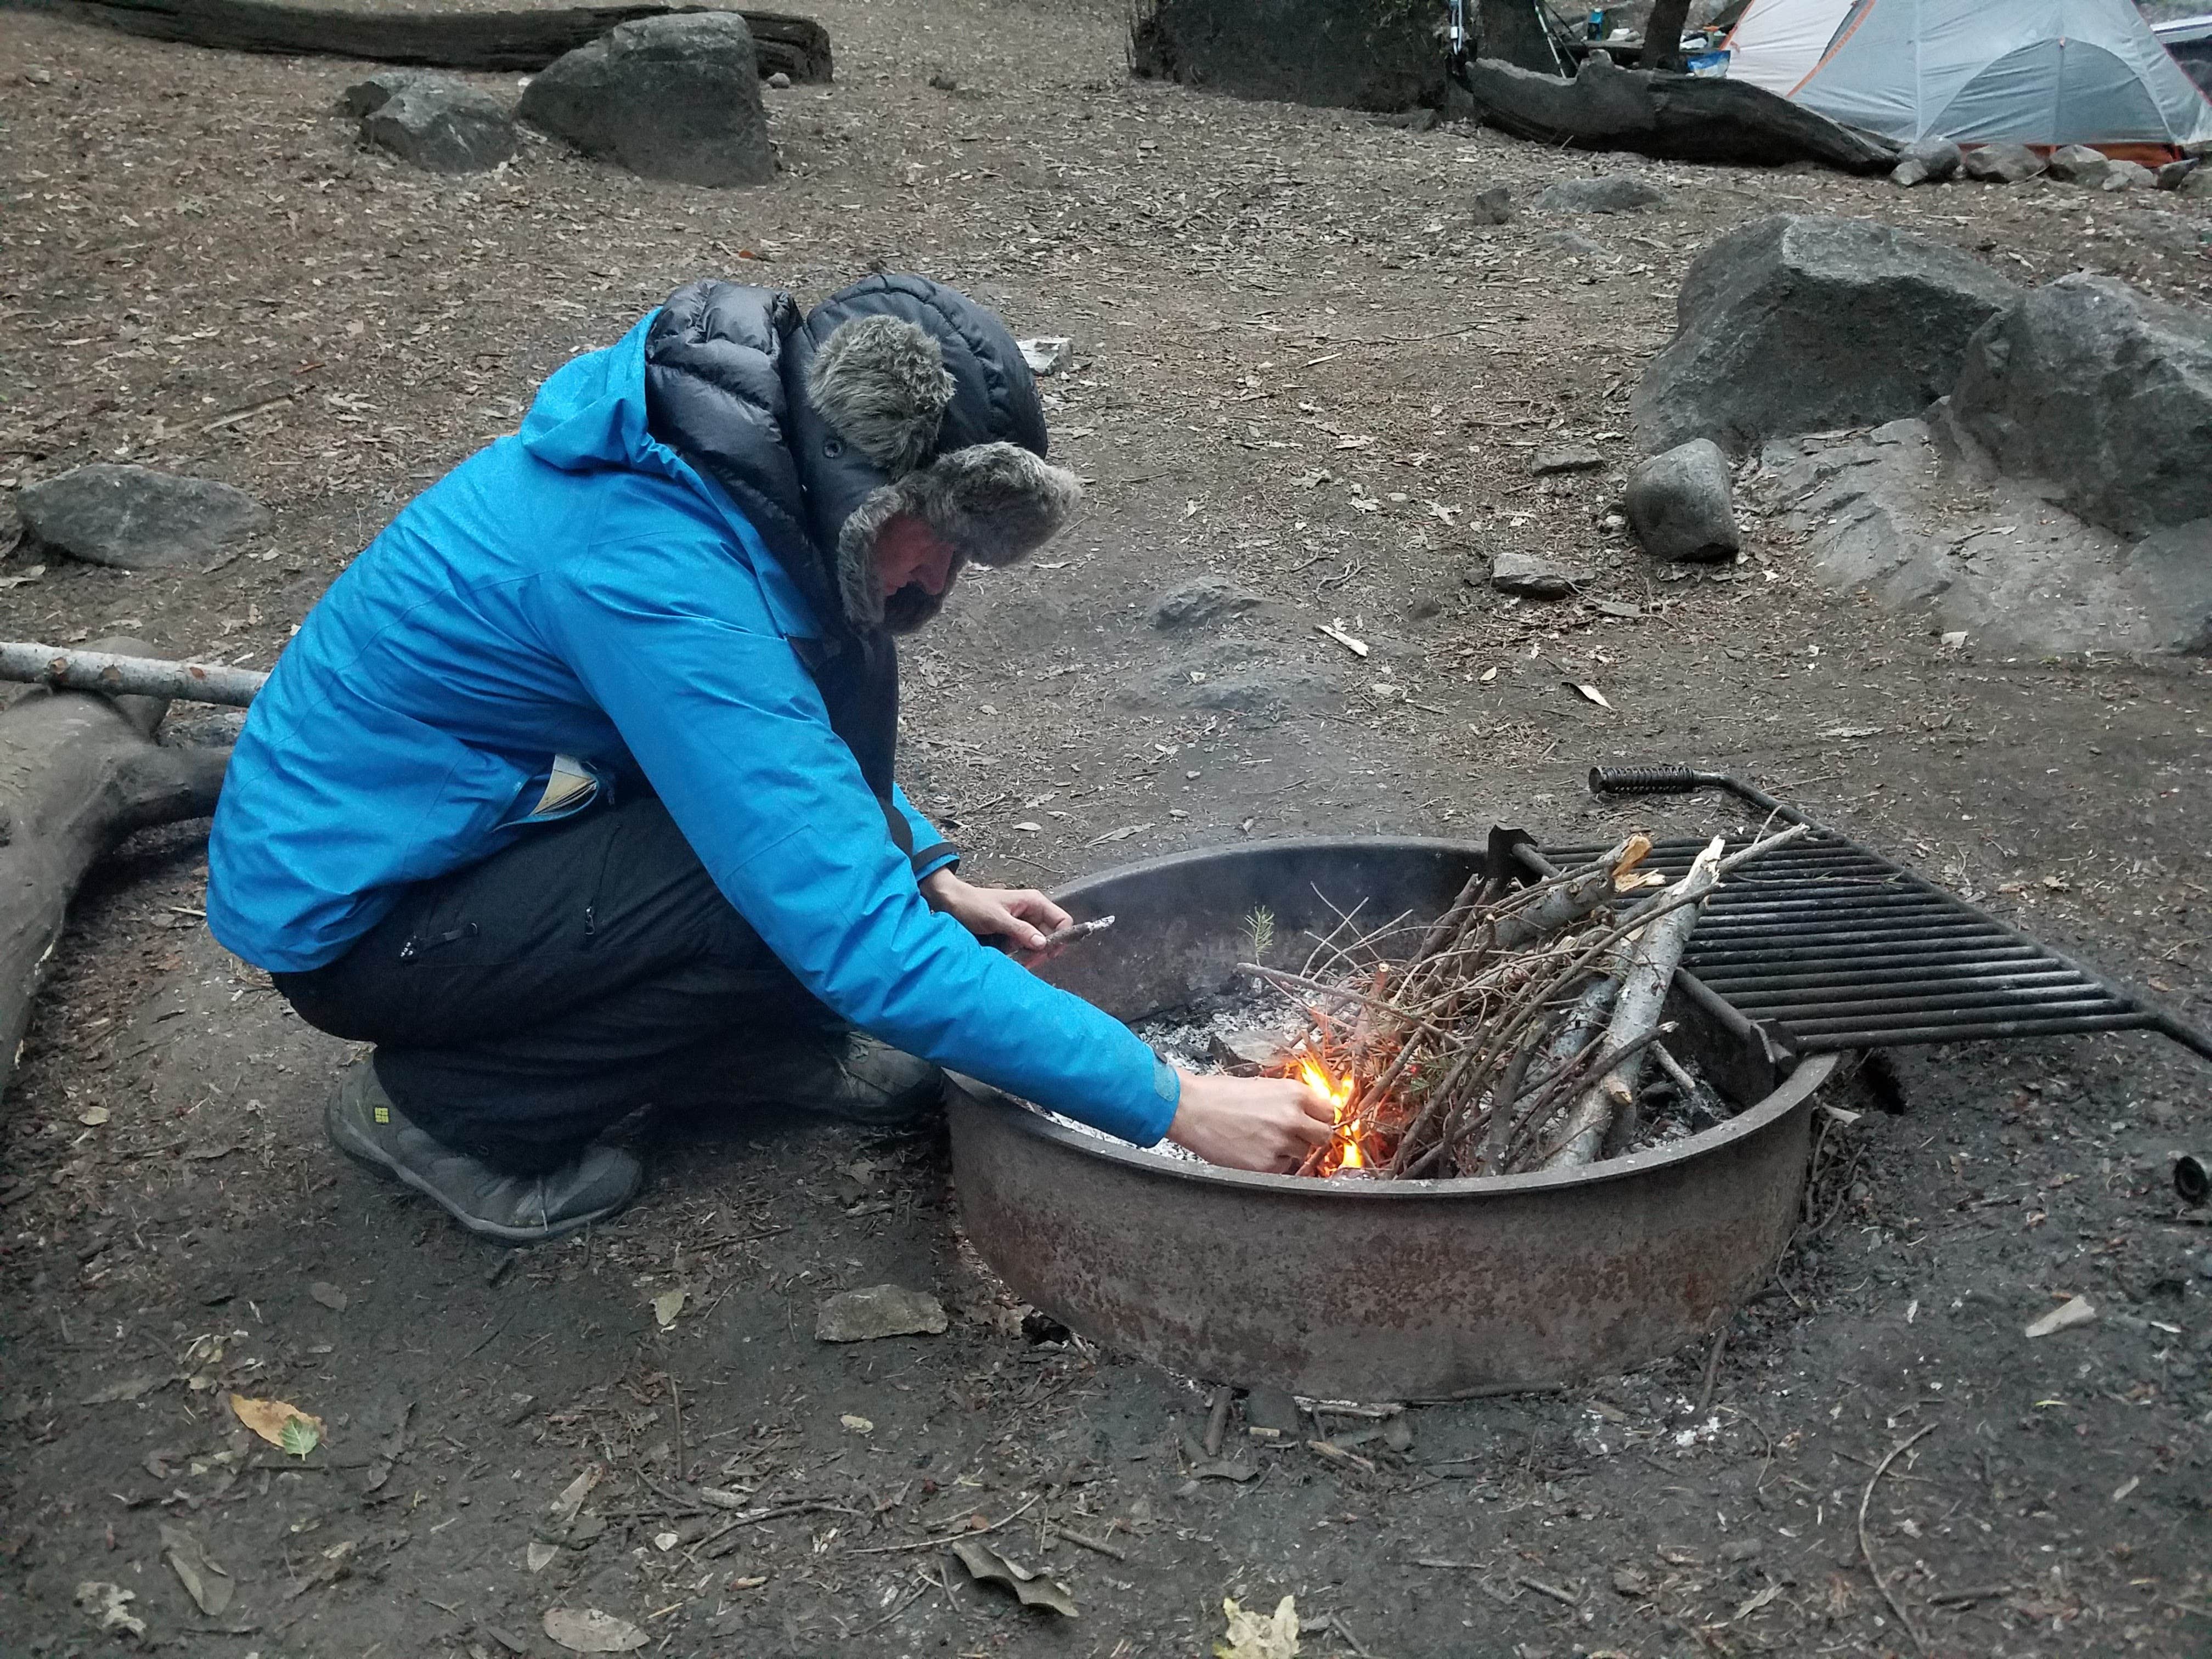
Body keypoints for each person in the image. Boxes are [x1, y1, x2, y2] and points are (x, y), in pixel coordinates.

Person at [205, 273, 1335, 1243]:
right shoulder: (653, 567)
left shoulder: (733, 477)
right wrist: (1174, 1102)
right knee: (757, 886)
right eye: (939, 540)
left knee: (847, 695)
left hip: (470, 839)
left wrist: (928, 862)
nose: (942, 583)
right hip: (360, 912)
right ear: (868, 487)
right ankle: (448, 1112)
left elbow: (779, 740)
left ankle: (745, 1046)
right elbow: (842, 916)